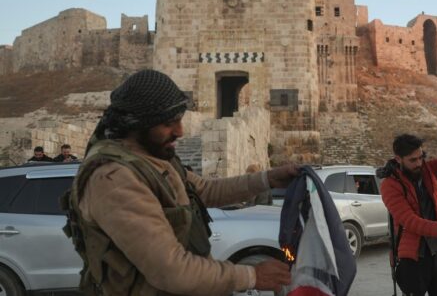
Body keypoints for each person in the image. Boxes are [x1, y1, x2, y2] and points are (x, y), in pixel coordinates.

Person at [62, 69, 297, 295]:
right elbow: (171, 270)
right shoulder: (113, 179)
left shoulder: (153, 157)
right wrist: (251, 276)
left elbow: (205, 190)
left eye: (180, 120)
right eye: (168, 123)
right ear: (138, 124)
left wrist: (269, 178)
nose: (180, 131)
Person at [380, 134, 437, 296]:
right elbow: (411, 222)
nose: (419, 163)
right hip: (413, 258)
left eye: (421, 157)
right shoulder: (389, 185)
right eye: (413, 160)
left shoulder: (427, 170)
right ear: (398, 159)